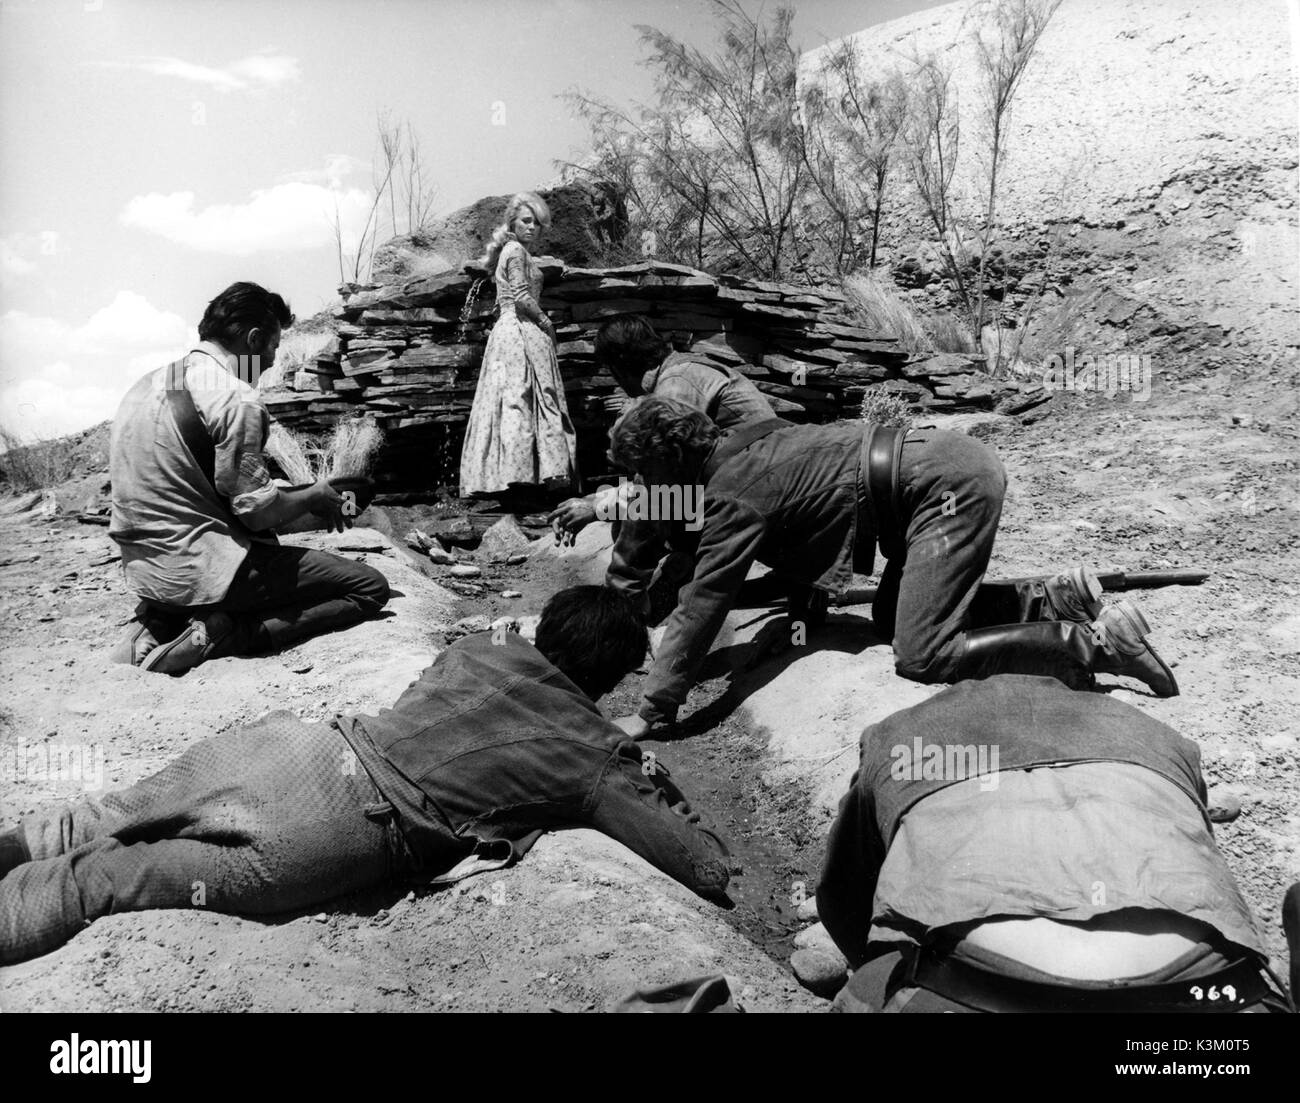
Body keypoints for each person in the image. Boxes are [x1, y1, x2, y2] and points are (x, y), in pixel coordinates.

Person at [0, 587, 731, 964]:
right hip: (341, 828)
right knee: (104, 879)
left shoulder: (480, 649)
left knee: (96, 817)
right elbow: (705, 867)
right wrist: (650, 773)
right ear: (607, 680)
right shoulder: (593, 749)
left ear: (547, 632)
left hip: (295, 748)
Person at [604, 397, 1178, 738]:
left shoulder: (733, 493)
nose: (643, 487)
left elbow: (705, 601)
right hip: (929, 471)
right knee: (889, 618)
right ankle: (1054, 599)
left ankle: (1094, 644)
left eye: (642, 473)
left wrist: (653, 710)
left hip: (942, 489)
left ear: (670, 459)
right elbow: (805, 527)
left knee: (924, 654)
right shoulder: (751, 440)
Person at [816, 674, 1295, 1014]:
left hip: (981, 993)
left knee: (871, 984)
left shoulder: (903, 738)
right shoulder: (1153, 735)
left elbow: (845, 899)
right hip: (1210, 996)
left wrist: (878, 975)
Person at [108, 281, 390, 676]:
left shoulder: (150, 384)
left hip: (146, 573)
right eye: (273, 346)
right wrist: (312, 499)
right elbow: (256, 514)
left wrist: (301, 497)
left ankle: (157, 623)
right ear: (254, 339)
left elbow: (196, 485)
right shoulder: (235, 398)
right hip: (201, 571)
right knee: (369, 588)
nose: (274, 360)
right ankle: (226, 634)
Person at [547, 315, 776, 541]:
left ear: (619, 367)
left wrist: (599, 507)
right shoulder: (679, 373)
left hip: (760, 488)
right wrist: (596, 500)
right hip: (756, 478)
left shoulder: (676, 385)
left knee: (636, 524)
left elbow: (664, 481)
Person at [459, 192, 578, 511]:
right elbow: (523, 297)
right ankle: (521, 482)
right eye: (527, 220)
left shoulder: (517, 252)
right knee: (520, 399)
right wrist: (546, 323)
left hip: (514, 331)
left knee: (520, 399)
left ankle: (524, 480)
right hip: (519, 330)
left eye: (538, 223)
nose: (533, 228)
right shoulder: (514, 250)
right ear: (512, 221)